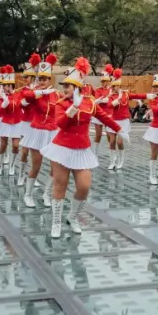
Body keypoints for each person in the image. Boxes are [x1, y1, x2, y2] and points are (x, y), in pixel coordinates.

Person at [41, 58, 121, 238]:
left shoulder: (90, 102)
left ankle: (73, 216)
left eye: (68, 86)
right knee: (60, 186)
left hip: (82, 149)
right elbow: (60, 124)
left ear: (77, 86)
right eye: (64, 86)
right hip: (62, 147)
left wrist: (120, 130)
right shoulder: (61, 104)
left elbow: (104, 117)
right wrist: (72, 109)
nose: (65, 89)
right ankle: (56, 222)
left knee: (84, 186)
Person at [20, 53, 61, 208]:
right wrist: (42, 92)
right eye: (40, 79)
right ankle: (28, 194)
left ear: (50, 79)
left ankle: (46, 194)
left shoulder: (56, 94)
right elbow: (25, 95)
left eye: (45, 79)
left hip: (53, 132)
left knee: (55, 167)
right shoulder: (35, 93)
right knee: (36, 165)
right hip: (37, 131)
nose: (42, 81)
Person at [100, 68, 132, 171]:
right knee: (112, 141)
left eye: (117, 86)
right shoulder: (112, 95)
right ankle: (112, 161)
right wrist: (114, 102)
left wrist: (148, 96)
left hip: (123, 121)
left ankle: (121, 160)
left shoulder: (126, 94)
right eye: (114, 86)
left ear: (120, 86)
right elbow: (108, 105)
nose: (115, 87)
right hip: (113, 120)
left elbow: (138, 95)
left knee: (119, 142)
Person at [91, 65, 116, 158]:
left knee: (110, 135)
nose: (104, 83)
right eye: (102, 81)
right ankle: (95, 154)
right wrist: (103, 99)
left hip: (108, 114)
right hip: (99, 114)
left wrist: (109, 99)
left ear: (109, 81)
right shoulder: (98, 90)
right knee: (98, 134)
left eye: (106, 81)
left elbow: (114, 100)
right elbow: (97, 99)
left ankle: (112, 155)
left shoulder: (112, 90)